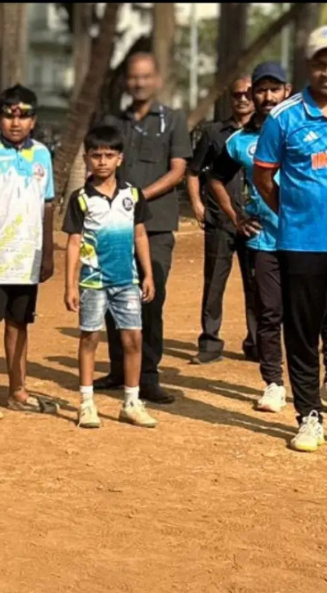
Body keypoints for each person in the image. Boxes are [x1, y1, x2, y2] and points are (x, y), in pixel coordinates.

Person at [99, 53, 192, 404]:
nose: (138, 83)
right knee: (112, 295)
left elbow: (178, 169)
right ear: (126, 81)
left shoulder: (173, 120)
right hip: (113, 225)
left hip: (155, 225)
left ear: (156, 80)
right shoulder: (112, 121)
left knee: (150, 299)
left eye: (145, 77)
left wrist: (136, 196)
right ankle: (119, 369)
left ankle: (148, 375)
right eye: (133, 77)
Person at [253, 28, 327, 452]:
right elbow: (264, 176)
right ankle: (309, 415)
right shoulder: (285, 117)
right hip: (301, 243)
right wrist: (294, 211)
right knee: (302, 333)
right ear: (308, 66)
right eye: (320, 62)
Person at [0, 85, 55, 420]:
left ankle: (18, 390)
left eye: (24, 115)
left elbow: (48, 205)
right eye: (8, 115)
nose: (15, 123)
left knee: (20, 324)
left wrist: (47, 253)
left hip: (26, 257)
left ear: (34, 120)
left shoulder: (42, 154)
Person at [208, 62, 291, 414]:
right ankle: (273, 383)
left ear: (287, 91)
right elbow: (214, 177)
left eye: (275, 88)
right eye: (261, 89)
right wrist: (236, 216)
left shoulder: (304, 128)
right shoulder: (240, 141)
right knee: (269, 314)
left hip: (312, 239)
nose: (267, 96)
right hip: (265, 241)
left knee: (316, 315)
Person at [62, 125, 157, 429]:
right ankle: (86, 403)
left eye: (108, 155)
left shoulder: (132, 194)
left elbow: (140, 235)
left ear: (120, 158)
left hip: (126, 280)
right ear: (87, 158)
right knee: (90, 337)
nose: (102, 161)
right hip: (92, 282)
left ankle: (131, 401)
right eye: (96, 155)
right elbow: (74, 243)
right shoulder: (80, 198)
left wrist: (148, 275)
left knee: (133, 339)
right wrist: (69, 286)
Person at [187, 75, 258, 365]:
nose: (242, 98)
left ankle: (257, 343)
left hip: (256, 222)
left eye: (247, 94)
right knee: (214, 281)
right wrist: (196, 204)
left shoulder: (269, 132)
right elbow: (193, 171)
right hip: (220, 221)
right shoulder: (214, 133)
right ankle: (210, 343)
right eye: (236, 94)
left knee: (257, 286)